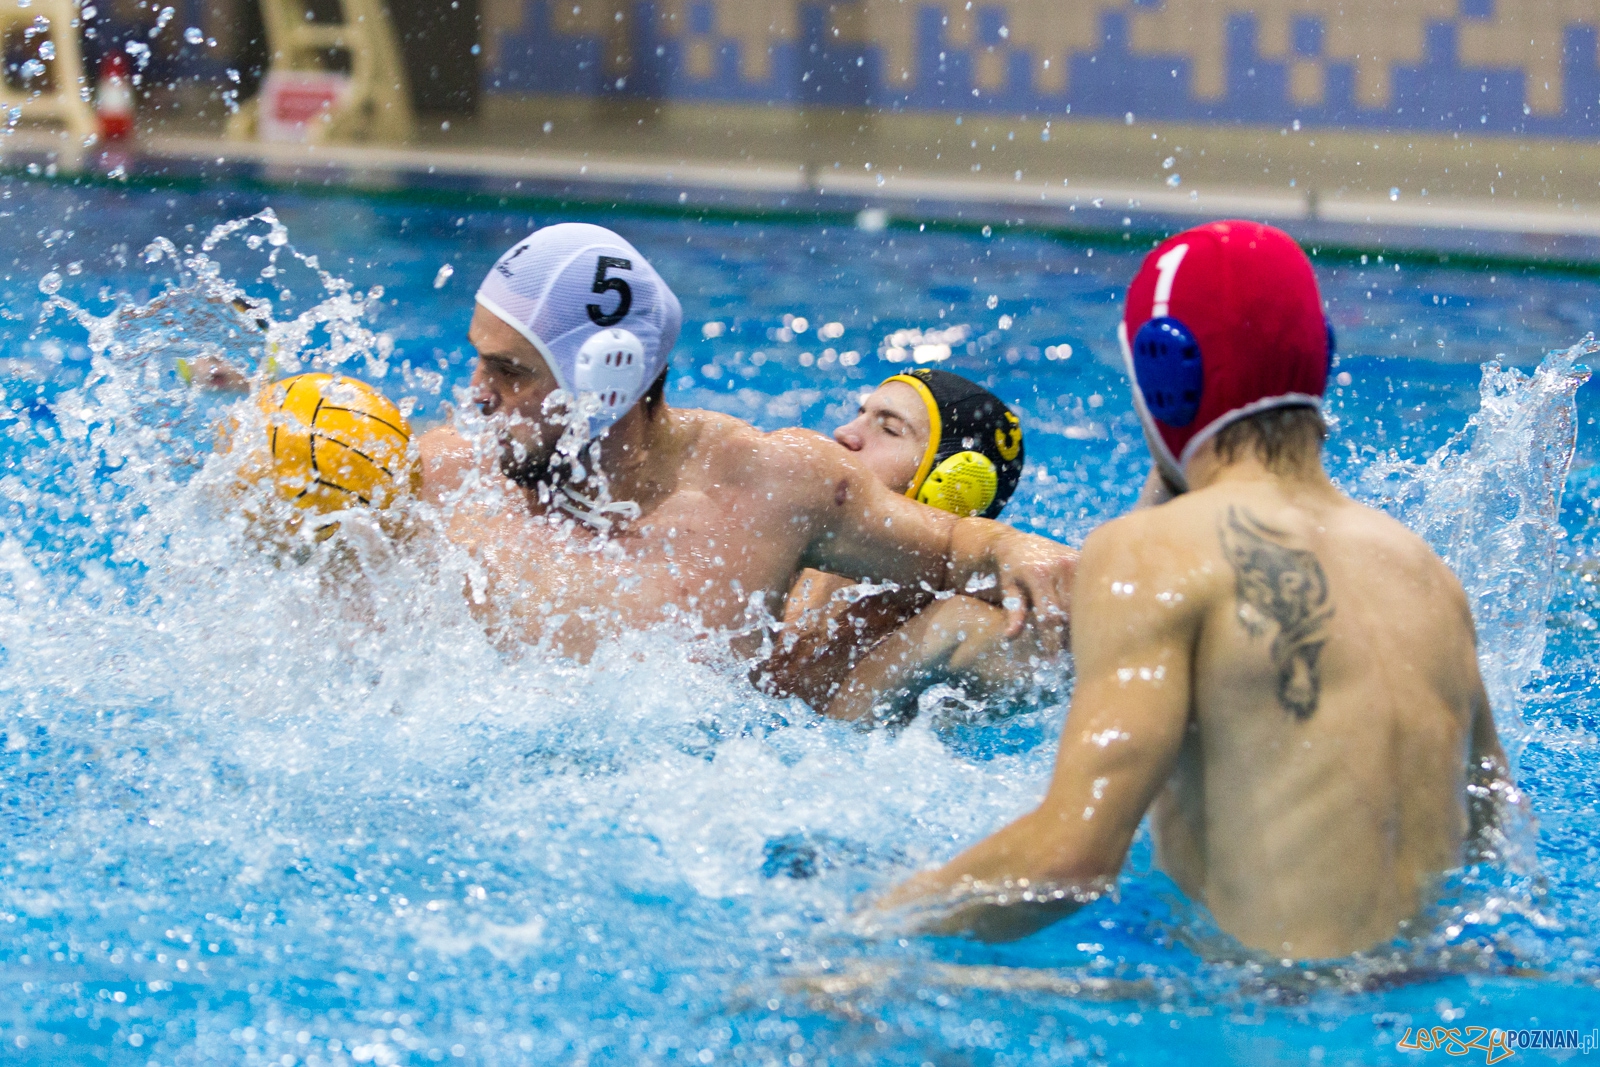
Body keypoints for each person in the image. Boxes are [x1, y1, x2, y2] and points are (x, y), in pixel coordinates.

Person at [877, 220, 1512, 960]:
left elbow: (1067, 861)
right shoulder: (1423, 568)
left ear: (1164, 371)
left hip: (1263, 1016)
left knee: (838, 985)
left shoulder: (1150, 552)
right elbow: (1491, 827)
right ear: (1321, 359)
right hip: (1434, 1003)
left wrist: (864, 923)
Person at [199, 222, 1077, 662]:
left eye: (512, 372)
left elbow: (968, 546)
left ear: (606, 383)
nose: (478, 393)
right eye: (480, 360)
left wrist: (1013, 546)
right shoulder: (444, 472)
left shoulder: (772, 486)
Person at [760, 368, 1055, 725]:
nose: (845, 434)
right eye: (860, 414)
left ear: (953, 486)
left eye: (888, 429)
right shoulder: (787, 542)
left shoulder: (960, 629)